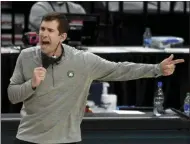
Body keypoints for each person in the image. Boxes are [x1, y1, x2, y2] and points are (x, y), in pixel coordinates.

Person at [8, 12, 184, 144]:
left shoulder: (82, 60)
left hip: (65, 140)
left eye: (50, 30)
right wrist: (31, 84)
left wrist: (157, 69)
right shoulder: (26, 56)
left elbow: (120, 70)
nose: (43, 34)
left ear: (62, 37)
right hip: (27, 139)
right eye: (42, 29)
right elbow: (12, 95)